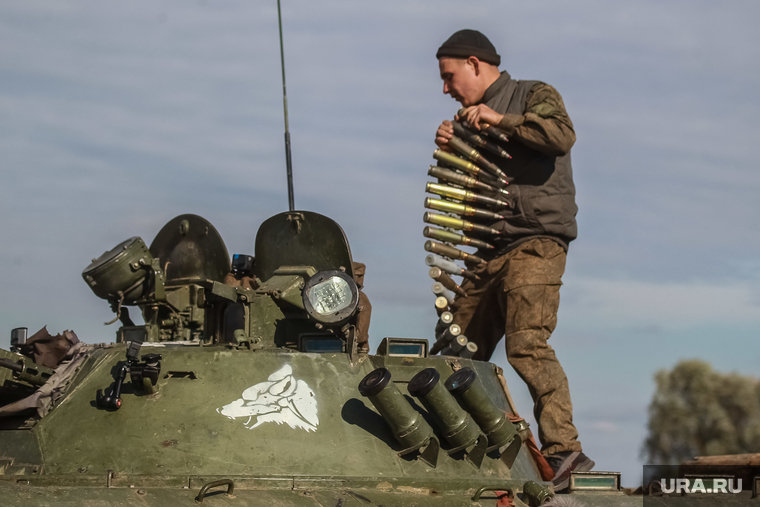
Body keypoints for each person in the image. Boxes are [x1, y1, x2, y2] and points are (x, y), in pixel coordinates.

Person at [433, 29, 593, 490]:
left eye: (449, 77)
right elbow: (460, 195)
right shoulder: (467, 120)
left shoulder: (532, 95)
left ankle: (566, 452)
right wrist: (452, 149)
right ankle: (459, 448)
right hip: (489, 250)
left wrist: (499, 120)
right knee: (452, 351)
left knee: (526, 344)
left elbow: (561, 136)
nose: (446, 89)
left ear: (475, 63)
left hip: (537, 242)